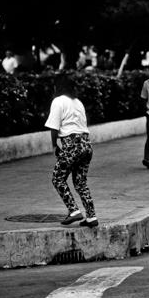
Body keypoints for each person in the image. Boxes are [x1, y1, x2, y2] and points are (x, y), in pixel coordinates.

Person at [45, 73, 98, 227]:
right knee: (80, 182)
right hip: (86, 145)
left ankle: (74, 210)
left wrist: (55, 145)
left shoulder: (58, 101)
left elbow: (54, 127)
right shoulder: (78, 102)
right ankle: (91, 216)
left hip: (72, 144)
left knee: (58, 178)